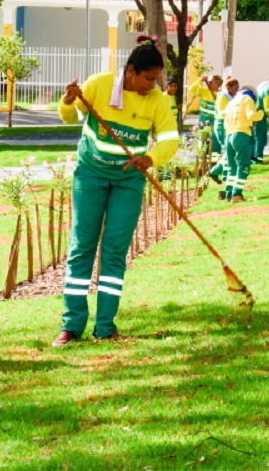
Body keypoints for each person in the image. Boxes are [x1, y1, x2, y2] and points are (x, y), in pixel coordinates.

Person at [53, 36, 180, 346]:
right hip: (91, 177)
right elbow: (70, 118)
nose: (153, 85)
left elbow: (169, 140)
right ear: (131, 71)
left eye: (157, 79)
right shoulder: (99, 85)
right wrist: (68, 101)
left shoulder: (158, 101)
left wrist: (150, 158)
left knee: (114, 252)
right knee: (82, 247)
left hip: (127, 182)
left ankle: (105, 326)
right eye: (148, 79)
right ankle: (72, 326)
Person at [223, 86, 264, 203]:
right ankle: (237, 194)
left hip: (228, 136)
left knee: (232, 168)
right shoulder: (247, 100)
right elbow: (251, 115)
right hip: (241, 135)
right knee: (243, 166)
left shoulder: (231, 103)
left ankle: (229, 194)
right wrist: (260, 113)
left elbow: (224, 119)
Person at [208, 77, 239, 191]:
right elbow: (222, 113)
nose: (236, 90)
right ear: (228, 87)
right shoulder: (223, 97)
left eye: (237, 88)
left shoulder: (229, 97)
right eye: (235, 88)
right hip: (222, 125)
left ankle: (224, 175)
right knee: (228, 151)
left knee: (229, 151)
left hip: (227, 125)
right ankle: (215, 171)